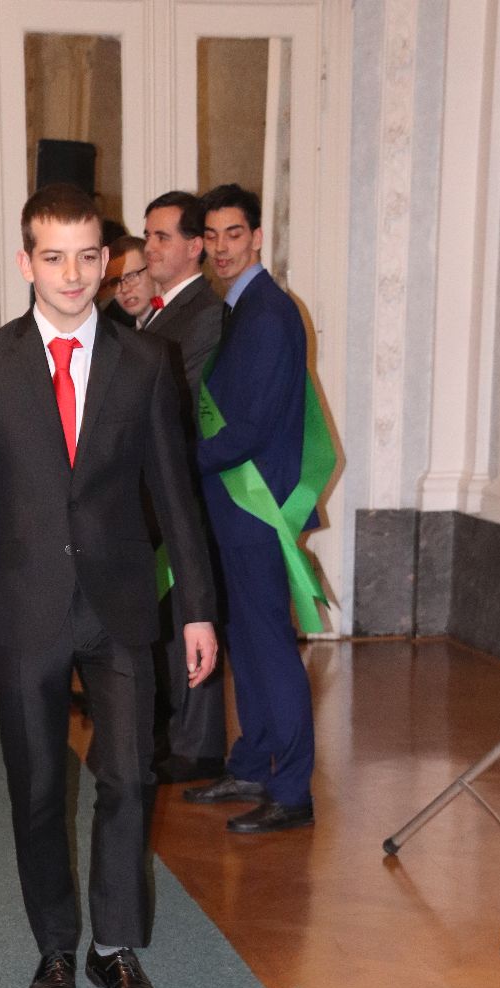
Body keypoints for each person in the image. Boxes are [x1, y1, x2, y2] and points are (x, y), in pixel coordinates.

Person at [0, 182, 218, 988]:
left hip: (120, 604)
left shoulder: (147, 362)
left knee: (129, 775)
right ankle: (56, 943)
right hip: (23, 605)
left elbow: (176, 495)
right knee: (36, 786)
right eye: (53, 257)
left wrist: (197, 607)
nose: (71, 274)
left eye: (87, 257)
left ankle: (113, 948)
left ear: (107, 261)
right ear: (26, 262)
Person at [185, 184, 316, 833]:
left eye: (233, 234)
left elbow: (250, 427)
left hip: (255, 506)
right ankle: (252, 765)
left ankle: (291, 791)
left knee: (269, 646)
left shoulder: (265, 312)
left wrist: (178, 459)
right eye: (211, 236)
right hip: (235, 505)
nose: (221, 248)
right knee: (247, 641)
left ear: (257, 237)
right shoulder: (242, 307)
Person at [141, 191, 227, 783]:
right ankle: (177, 733)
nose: (149, 247)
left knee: (189, 612)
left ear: (195, 247)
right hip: (153, 480)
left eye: (162, 237)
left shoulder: (204, 314)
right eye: (148, 235)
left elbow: (180, 400)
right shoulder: (160, 310)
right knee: (168, 617)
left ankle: (199, 745)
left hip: (182, 482)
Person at [101, 234, 156, 328]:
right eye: (115, 282)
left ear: (154, 271)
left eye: (131, 276)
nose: (124, 289)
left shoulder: (181, 325)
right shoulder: (125, 335)